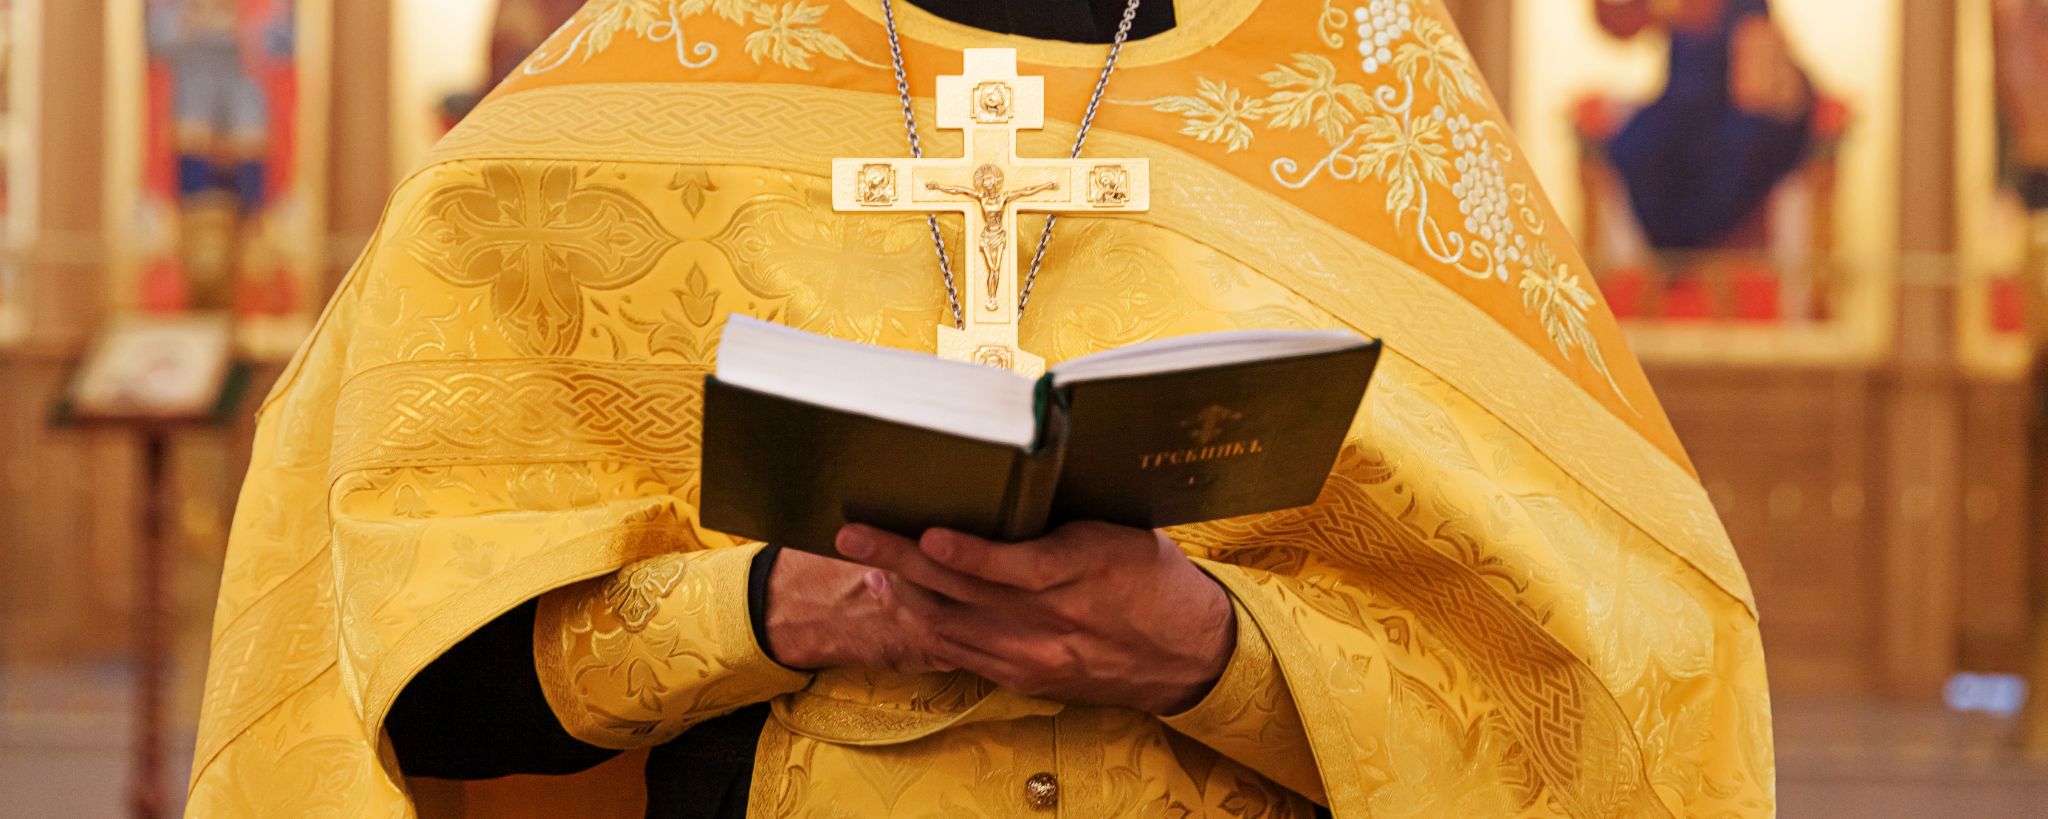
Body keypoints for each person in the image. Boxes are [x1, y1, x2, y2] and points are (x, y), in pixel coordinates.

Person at [186, 1, 1775, 816]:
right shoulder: (653, 75)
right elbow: (391, 669)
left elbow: (1609, 670)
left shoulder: (1356, 77)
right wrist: (770, 604)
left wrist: (1219, 655)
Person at [1598, 0, 1816, 248]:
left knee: (1738, 151)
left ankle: (1688, 252)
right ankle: (1675, 255)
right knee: (1636, 146)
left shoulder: (1747, 13)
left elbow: (1758, 82)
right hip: (1683, 111)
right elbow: (1617, 22)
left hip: (1736, 113)